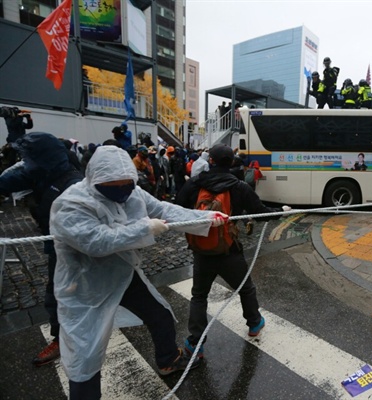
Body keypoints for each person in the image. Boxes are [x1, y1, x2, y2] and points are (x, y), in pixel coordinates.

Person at [49, 145, 227, 399]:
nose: (122, 190)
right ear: (96, 180)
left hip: (122, 274)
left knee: (161, 314)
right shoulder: (71, 203)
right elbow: (96, 242)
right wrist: (144, 229)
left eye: (127, 184)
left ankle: (168, 359)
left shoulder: (133, 193)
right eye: (114, 185)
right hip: (85, 285)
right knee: (85, 352)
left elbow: (165, 211)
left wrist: (208, 217)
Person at [176, 144, 291, 359]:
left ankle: (195, 343)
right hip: (228, 250)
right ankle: (254, 323)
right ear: (231, 163)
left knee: (199, 296)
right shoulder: (239, 187)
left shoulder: (195, 184)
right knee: (245, 288)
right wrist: (281, 212)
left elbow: (178, 206)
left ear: (210, 161)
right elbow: (260, 213)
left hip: (201, 249)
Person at [0, 132, 84, 367]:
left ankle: (77, 341)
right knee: (56, 295)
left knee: (75, 295)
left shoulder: (73, 182)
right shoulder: (39, 173)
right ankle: (61, 338)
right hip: (56, 246)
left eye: (28, 157)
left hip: (75, 251)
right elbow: (5, 181)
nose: (25, 162)